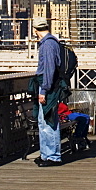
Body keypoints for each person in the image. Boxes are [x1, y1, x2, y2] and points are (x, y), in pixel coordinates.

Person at [32, 17, 63, 166]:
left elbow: (49, 69)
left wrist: (44, 90)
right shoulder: (50, 43)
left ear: (35, 30)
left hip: (48, 88)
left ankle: (53, 156)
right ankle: (45, 154)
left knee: (49, 122)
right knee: (43, 121)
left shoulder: (48, 45)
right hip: (48, 86)